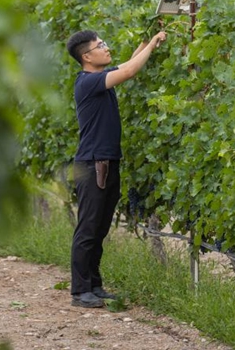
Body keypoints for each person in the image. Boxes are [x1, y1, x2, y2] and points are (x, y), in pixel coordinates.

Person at [65, 29, 167, 308]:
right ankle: (79, 290)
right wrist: (153, 43)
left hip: (107, 161)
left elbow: (127, 65)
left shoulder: (99, 79)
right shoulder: (87, 82)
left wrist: (148, 39)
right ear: (87, 56)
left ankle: (94, 286)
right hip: (93, 164)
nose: (107, 48)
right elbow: (131, 71)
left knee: (100, 229)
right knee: (88, 228)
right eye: (101, 45)